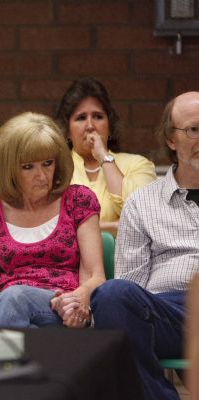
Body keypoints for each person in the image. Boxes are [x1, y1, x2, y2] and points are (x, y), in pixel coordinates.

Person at [91, 91, 199, 400]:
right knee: (112, 295)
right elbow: (131, 283)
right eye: (194, 129)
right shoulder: (143, 202)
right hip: (170, 314)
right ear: (171, 140)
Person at [0, 112, 105, 329]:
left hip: (63, 309)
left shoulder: (78, 200)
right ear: (8, 170)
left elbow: (95, 276)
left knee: (14, 298)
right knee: (14, 305)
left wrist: (77, 300)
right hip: (10, 312)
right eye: (28, 167)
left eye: (47, 163)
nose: (42, 176)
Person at [54, 77, 156, 234]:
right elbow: (52, 229)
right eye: (81, 118)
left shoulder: (138, 164)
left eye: (98, 116)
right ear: (67, 131)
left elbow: (145, 217)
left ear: (110, 125)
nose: (90, 126)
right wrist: (115, 227)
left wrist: (103, 157)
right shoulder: (55, 169)